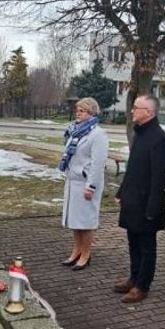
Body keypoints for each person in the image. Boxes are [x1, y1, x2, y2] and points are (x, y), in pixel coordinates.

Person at [113, 95, 165, 303]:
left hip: (147, 203)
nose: (132, 111)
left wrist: (152, 208)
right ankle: (134, 277)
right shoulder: (140, 134)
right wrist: (121, 192)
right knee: (133, 242)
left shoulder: (159, 138)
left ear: (149, 112)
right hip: (132, 200)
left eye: (136, 107)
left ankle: (142, 286)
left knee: (146, 246)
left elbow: (159, 177)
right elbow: (133, 169)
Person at [59, 97, 109, 271]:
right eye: (77, 110)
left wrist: (91, 186)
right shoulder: (75, 131)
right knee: (75, 221)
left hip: (86, 183)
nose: (78, 113)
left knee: (86, 222)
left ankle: (86, 255)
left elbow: (98, 163)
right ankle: (76, 251)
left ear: (92, 113)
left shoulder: (98, 134)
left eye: (82, 111)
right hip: (73, 182)